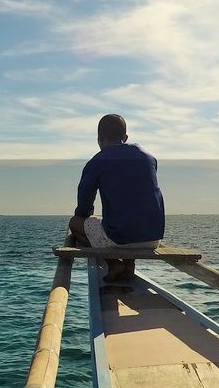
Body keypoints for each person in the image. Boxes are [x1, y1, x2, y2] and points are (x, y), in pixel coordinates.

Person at [67, 114, 165, 286]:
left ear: (100, 138)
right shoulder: (149, 157)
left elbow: (84, 202)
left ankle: (114, 264)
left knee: (75, 223)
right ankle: (129, 267)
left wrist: (84, 218)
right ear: (125, 138)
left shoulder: (98, 161)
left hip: (120, 237)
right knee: (128, 221)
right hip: (153, 238)